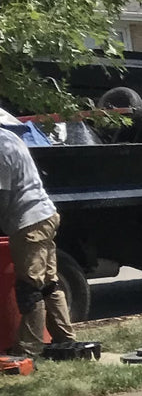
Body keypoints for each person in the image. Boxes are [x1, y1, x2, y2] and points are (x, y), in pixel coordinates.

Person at [0, 121, 77, 357]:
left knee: (29, 287)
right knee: (48, 283)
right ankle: (66, 340)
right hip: (45, 214)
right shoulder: (9, 137)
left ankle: (28, 350)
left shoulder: (1, 146)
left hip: (28, 222)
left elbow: (1, 196)